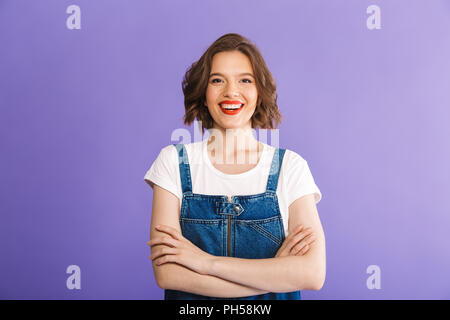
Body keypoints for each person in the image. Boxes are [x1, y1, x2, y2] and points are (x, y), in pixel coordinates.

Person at [144, 33, 326, 300]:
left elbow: (312, 274)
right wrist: (277, 275)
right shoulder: (172, 162)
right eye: (217, 80)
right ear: (203, 93)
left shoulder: (291, 167)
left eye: (245, 80)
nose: (231, 91)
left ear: (259, 92)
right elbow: (168, 274)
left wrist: (205, 263)